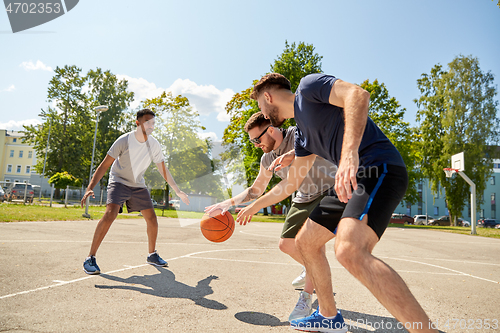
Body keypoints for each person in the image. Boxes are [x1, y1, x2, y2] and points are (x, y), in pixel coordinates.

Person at [237, 73, 437, 332]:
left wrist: (350, 153)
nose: (262, 111)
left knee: (349, 250)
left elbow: (357, 95)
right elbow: (291, 184)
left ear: (268, 96)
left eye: (260, 106)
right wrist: (253, 205)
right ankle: (329, 317)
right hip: (350, 180)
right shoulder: (302, 137)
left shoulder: (308, 88)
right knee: (305, 242)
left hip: (377, 167)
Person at [205, 111, 337, 321]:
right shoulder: (267, 158)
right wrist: (227, 203)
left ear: (272, 130)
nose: (256, 145)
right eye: (252, 141)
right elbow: (256, 189)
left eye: (257, 139)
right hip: (304, 196)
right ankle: (312, 269)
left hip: (329, 190)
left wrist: (255, 207)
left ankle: (308, 299)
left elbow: (315, 145)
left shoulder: (298, 134)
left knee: (310, 245)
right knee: (286, 244)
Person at [81, 108, 189, 275]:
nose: (151, 125)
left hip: (138, 184)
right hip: (119, 180)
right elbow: (104, 165)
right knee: (111, 213)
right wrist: (90, 188)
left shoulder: (154, 144)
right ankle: (90, 257)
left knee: (152, 218)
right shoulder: (124, 140)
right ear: (138, 123)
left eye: (153, 122)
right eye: (147, 122)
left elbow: (163, 169)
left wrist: (178, 190)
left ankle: (152, 254)